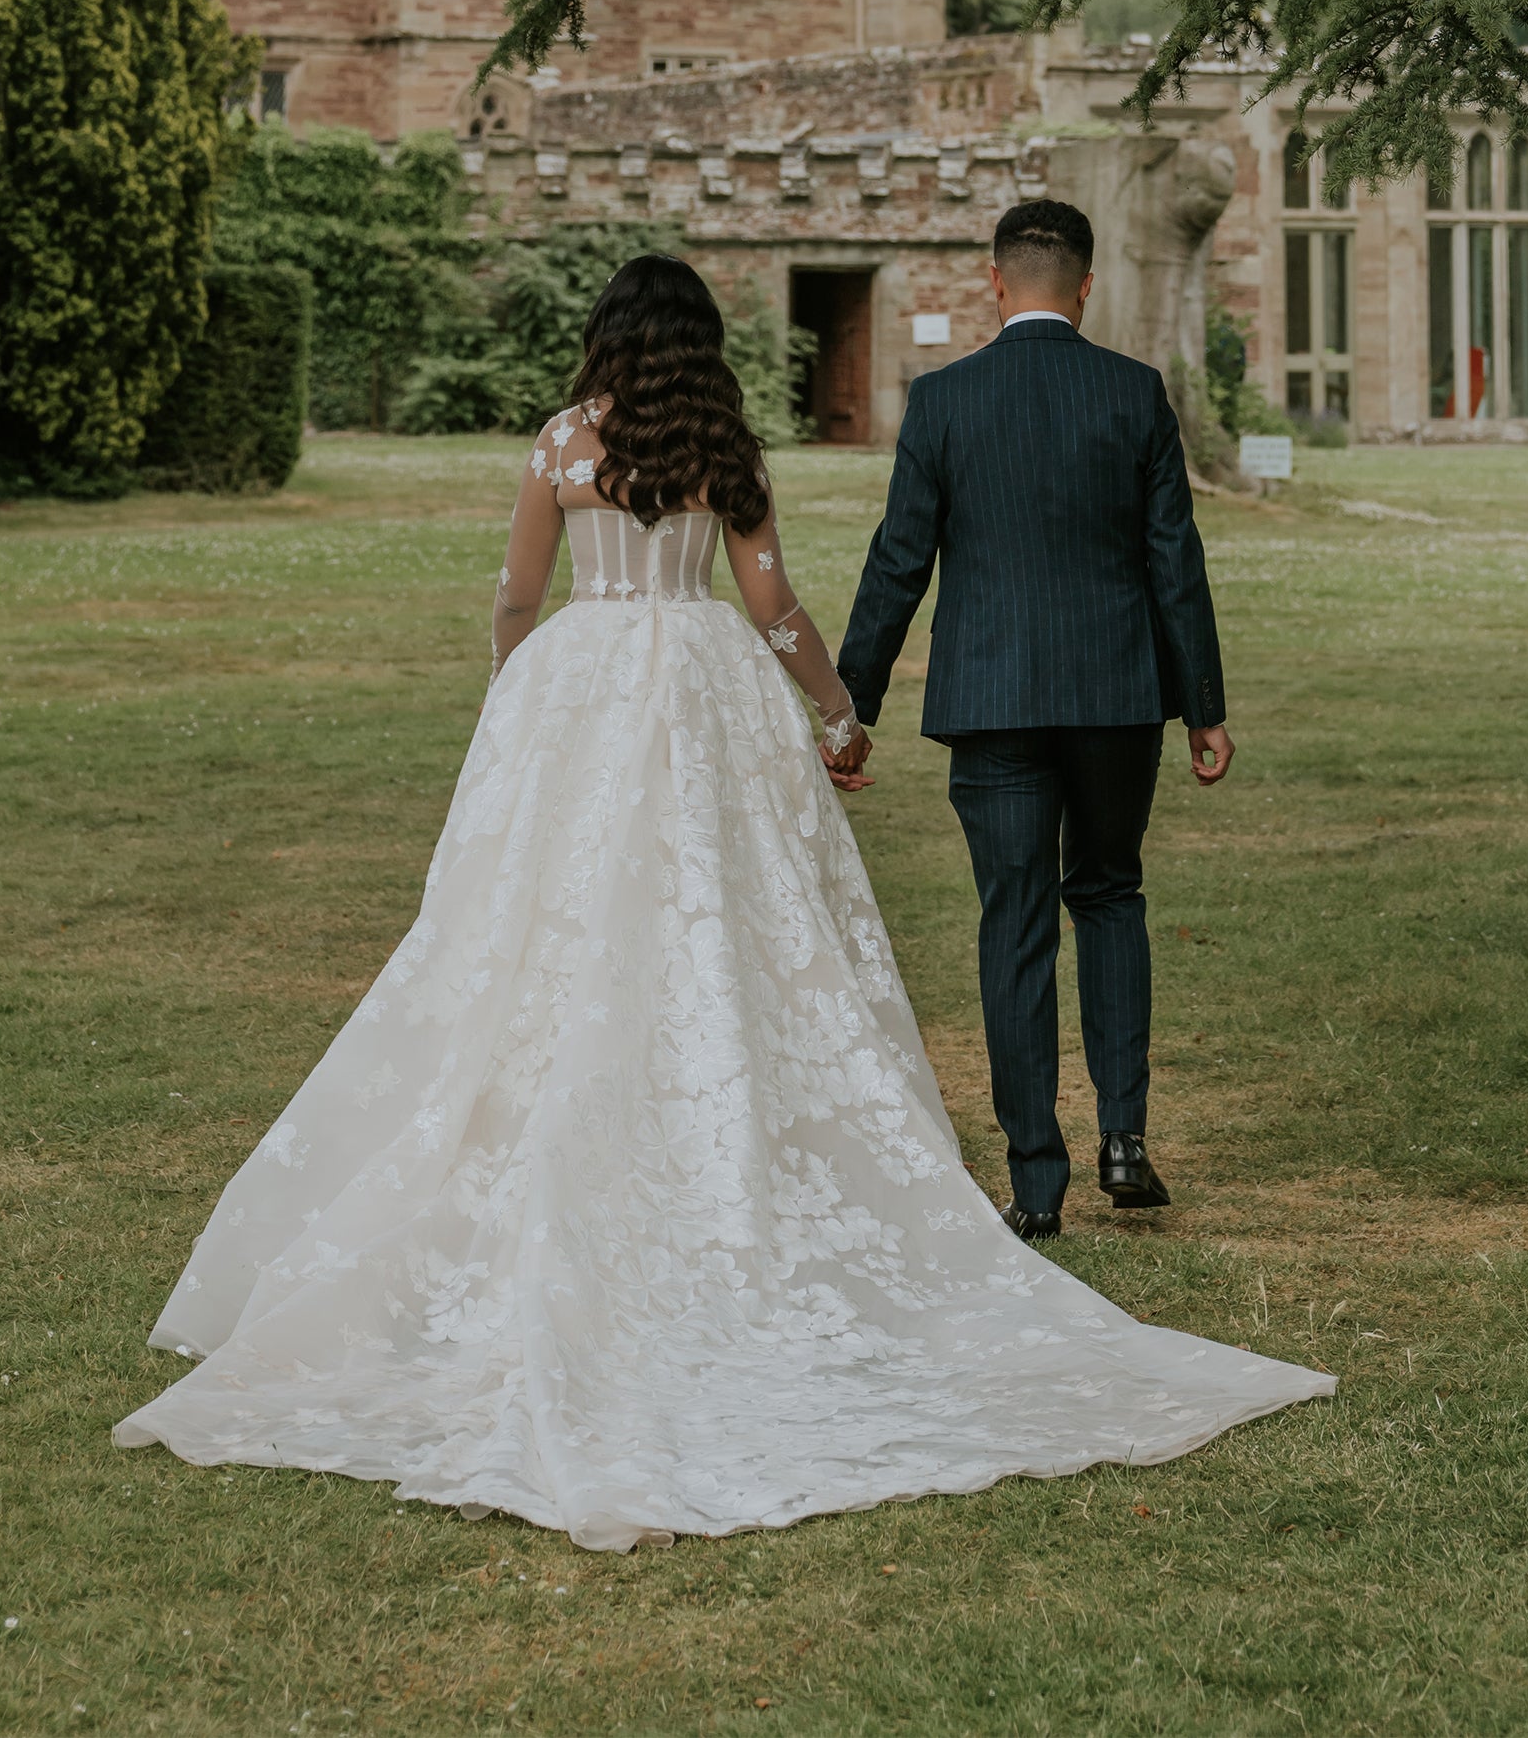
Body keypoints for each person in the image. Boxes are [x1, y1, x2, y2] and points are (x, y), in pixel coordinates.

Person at [115, 255, 1329, 1550]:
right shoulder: (722, 448)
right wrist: (837, 711)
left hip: (583, 681)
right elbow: (774, 606)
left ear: (604, 337)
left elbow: (520, 595)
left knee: (553, 933)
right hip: (700, 684)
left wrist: (523, 690)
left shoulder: (562, 444)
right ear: (699, 346)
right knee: (724, 930)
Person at [835, 200, 1226, 1241]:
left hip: (993, 699)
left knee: (1013, 923)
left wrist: (849, 705)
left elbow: (898, 559)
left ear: (995, 282)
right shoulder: (1133, 394)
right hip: (1114, 699)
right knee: (1108, 893)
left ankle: (1036, 1183)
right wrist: (1203, 707)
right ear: (1085, 285)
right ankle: (1126, 1139)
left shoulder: (944, 401)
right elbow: (1171, 560)